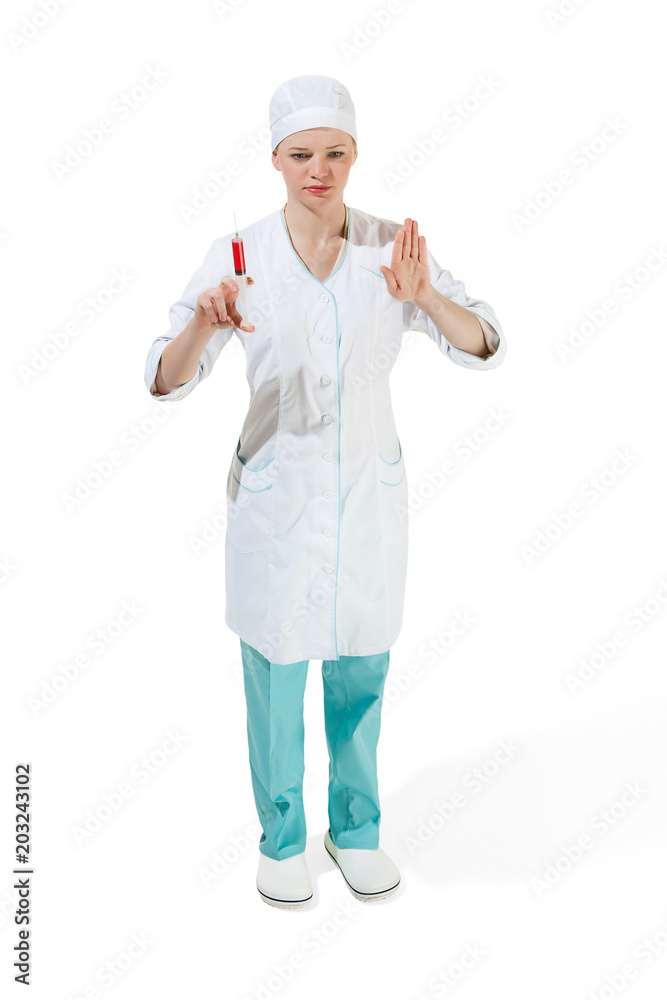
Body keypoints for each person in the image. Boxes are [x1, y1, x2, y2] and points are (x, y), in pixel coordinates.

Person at [144, 75, 507, 909]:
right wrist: (205, 320)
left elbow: (483, 339)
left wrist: (426, 299)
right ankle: (279, 839)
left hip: (365, 498)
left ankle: (355, 831)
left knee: (361, 666)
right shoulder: (237, 254)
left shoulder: (392, 247)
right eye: (301, 154)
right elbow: (164, 379)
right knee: (273, 670)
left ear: (355, 155)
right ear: (274, 159)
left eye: (334, 152)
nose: (319, 169)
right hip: (275, 499)